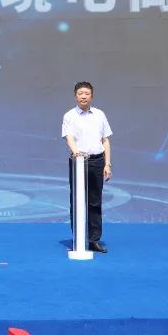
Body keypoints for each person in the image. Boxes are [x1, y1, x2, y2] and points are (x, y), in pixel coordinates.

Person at [61, 82, 112, 253]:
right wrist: (76, 152)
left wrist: (107, 163)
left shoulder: (99, 115)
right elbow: (68, 137)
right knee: (77, 200)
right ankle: (78, 238)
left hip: (97, 161)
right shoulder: (69, 115)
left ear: (92, 96)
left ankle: (94, 240)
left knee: (95, 201)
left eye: (87, 93)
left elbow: (105, 140)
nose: (83, 96)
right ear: (75, 96)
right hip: (78, 162)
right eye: (80, 93)